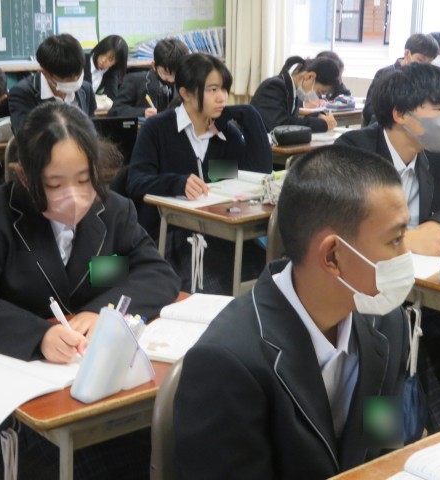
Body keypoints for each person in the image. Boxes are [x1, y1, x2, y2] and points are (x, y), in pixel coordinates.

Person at [0, 101, 180, 478]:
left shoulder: (114, 210)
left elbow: (157, 273)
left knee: (167, 448)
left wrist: (102, 312)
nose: (73, 195)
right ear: (24, 176)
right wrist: (40, 336)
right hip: (22, 401)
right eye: (54, 184)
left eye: (84, 179)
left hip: (102, 391)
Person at [174, 145, 411, 479]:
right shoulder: (227, 363)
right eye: (396, 240)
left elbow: (381, 446)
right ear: (332, 257)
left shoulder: (386, 324)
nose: (407, 254)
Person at [335, 62, 440, 430]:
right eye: (436, 108)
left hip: (424, 291)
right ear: (400, 114)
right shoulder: (354, 151)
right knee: (384, 370)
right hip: (366, 297)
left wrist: (436, 225)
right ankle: (381, 443)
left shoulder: (437, 154)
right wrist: (403, 240)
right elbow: (336, 227)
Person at [126, 53, 272, 294]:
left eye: (224, 89)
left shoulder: (225, 135)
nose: (222, 97)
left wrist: (248, 114)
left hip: (222, 233)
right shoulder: (158, 129)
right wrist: (177, 183)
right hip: (172, 235)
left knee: (269, 275)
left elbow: (255, 174)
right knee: (220, 288)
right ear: (185, 93)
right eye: (212, 89)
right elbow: (137, 181)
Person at [8, 34, 96, 132]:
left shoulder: (85, 89)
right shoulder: (22, 93)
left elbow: (92, 128)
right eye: (67, 78)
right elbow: (24, 135)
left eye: (79, 74)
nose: (75, 80)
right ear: (45, 73)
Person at [362, 33, 439, 125]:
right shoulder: (386, 74)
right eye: (420, 60)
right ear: (407, 54)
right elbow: (369, 110)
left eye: (429, 62)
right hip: (385, 126)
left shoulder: (426, 80)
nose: (424, 66)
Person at [250, 55, 340, 133]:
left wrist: (319, 116)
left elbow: (293, 119)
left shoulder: (292, 90)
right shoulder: (274, 86)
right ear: (310, 77)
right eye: (319, 92)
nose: (317, 98)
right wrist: (322, 124)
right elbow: (280, 125)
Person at [108, 38, 189, 118]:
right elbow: (114, 111)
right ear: (154, 65)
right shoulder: (135, 80)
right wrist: (143, 112)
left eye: (176, 73)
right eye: (166, 73)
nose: (172, 79)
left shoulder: (187, 83)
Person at [83, 34, 128, 100]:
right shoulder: (81, 62)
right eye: (103, 53)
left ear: (116, 63)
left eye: (110, 59)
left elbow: (112, 97)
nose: (103, 60)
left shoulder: (110, 71)